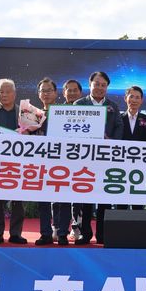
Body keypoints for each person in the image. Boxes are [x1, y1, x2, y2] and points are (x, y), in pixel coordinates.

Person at [73, 71, 122, 245]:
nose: (100, 88)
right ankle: (85, 233)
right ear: (90, 84)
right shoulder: (79, 104)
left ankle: (102, 234)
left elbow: (118, 126)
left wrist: (112, 141)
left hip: (106, 158)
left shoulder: (113, 106)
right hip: (84, 158)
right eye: (97, 84)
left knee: (104, 198)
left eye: (103, 85)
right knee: (85, 199)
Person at [0, 78, 27, 245]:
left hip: (19, 162)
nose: (4, 94)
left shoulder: (25, 113)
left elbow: (33, 137)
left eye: (7, 91)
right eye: (1, 91)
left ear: (14, 94)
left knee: (18, 200)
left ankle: (16, 233)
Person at [30, 77, 71, 246]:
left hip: (64, 163)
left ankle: (62, 233)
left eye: (49, 90)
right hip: (41, 163)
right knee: (44, 200)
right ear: (39, 94)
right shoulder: (32, 115)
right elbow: (27, 139)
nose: (46, 93)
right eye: (42, 91)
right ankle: (45, 233)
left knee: (65, 199)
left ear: (56, 93)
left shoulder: (65, 113)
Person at [63, 79, 85, 241]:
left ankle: (76, 227)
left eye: (75, 90)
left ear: (80, 92)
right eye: (68, 90)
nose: (71, 93)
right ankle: (59, 227)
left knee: (79, 197)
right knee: (61, 196)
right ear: (64, 93)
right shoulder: (58, 111)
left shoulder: (88, 110)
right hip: (61, 161)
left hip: (82, 161)